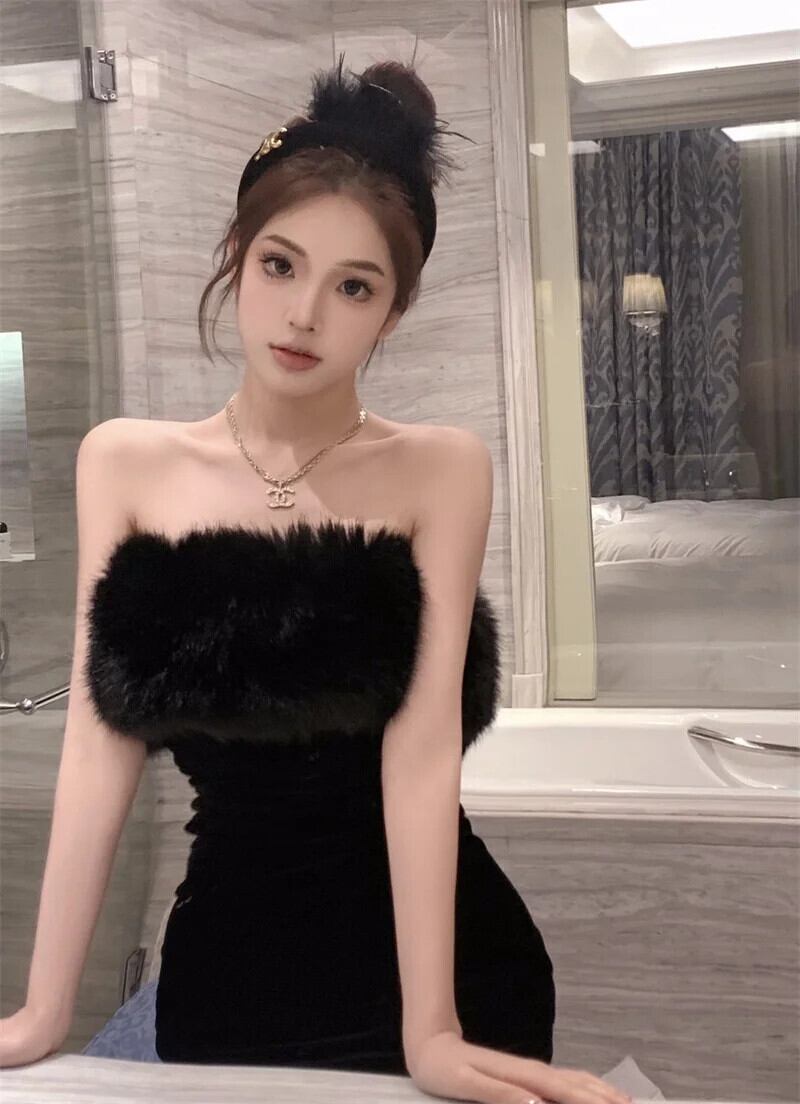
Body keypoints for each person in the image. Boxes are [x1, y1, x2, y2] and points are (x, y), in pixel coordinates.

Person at [0, 55, 632, 1104]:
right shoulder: (123, 462)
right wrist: (42, 1008)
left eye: (354, 287)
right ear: (235, 255)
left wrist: (432, 1030)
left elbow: (421, 759)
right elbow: (96, 748)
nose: (304, 315)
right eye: (280, 265)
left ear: (392, 313)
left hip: (443, 966)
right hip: (228, 968)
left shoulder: (441, 469)